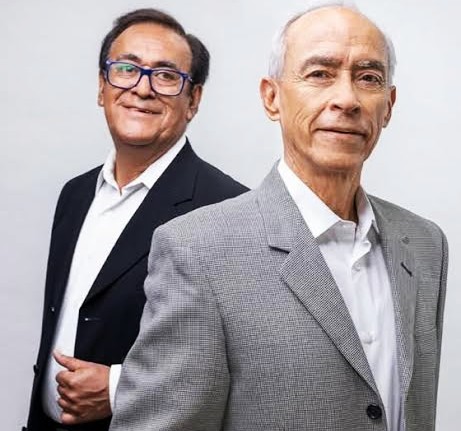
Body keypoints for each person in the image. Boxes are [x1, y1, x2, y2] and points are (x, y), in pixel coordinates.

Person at [109, 2, 448, 431]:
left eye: (368, 78)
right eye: (320, 74)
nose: (346, 99)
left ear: (389, 105)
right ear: (272, 98)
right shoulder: (197, 252)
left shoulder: (424, 244)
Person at [24, 8, 247, 431]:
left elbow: (244, 359)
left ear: (193, 100)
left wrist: (117, 387)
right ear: (102, 87)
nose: (142, 89)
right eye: (126, 69)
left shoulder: (230, 209)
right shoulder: (74, 195)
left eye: (165, 75)